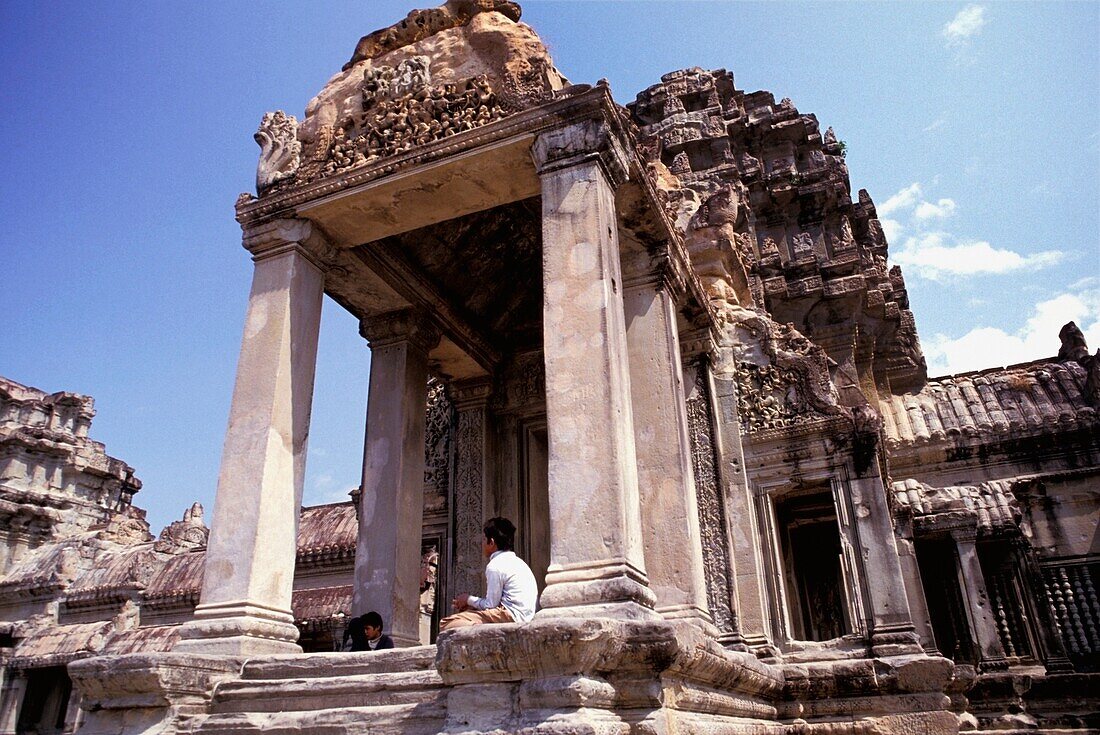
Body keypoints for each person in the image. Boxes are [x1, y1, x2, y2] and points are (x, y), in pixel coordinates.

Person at [440, 517, 538, 631]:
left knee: (447, 623)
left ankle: (483, 632)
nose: (481, 544)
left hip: (510, 616)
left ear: (491, 542)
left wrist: (467, 599)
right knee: (467, 617)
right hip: (524, 616)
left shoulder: (496, 565)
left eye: (483, 539)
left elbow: (491, 605)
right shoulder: (520, 563)